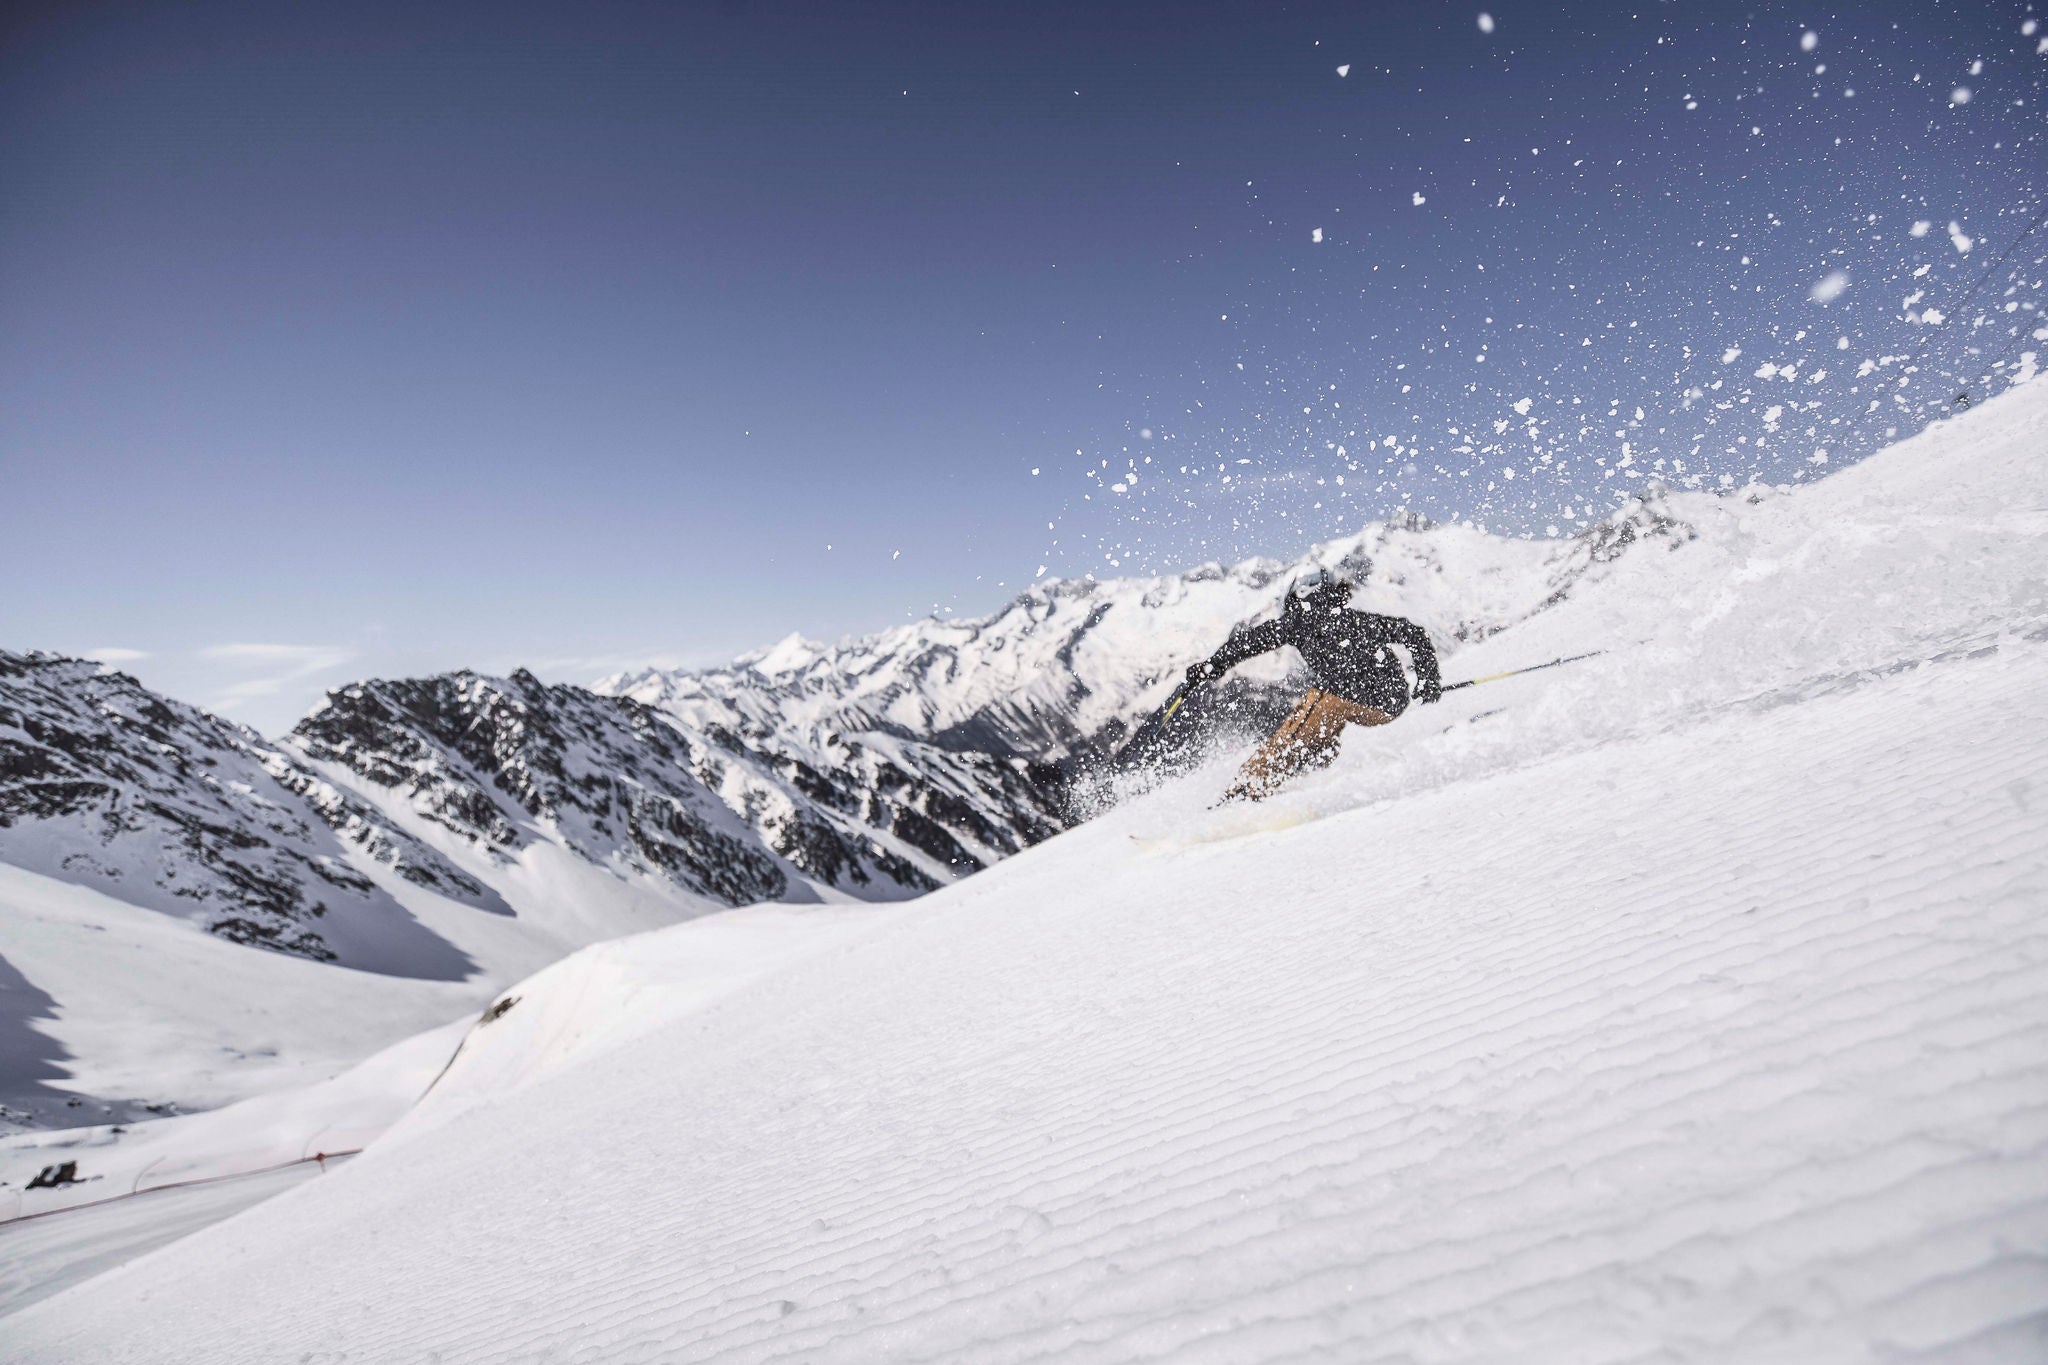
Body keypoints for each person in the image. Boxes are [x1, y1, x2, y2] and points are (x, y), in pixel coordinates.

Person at [1185, 570, 1443, 801]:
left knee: (1314, 705)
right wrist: (1428, 678)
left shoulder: (1300, 620)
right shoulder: (1355, 618)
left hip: (1355, 698)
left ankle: (1246, 789)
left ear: (1300, 593)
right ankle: (1307, 770)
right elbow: (1414, 633)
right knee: (1322, 709)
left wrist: (1211, 665)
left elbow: (1250, 641)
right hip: (1391, 701)